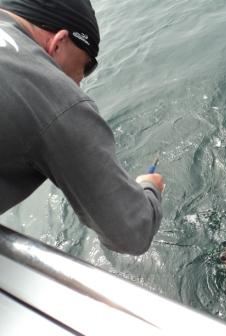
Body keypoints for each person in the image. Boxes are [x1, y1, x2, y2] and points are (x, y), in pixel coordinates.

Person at [0, 0, 164, 255]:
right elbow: (131, 233)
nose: (77, 85)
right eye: (83, 68)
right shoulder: (52, 96)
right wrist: (149, 188)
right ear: (59, 42)